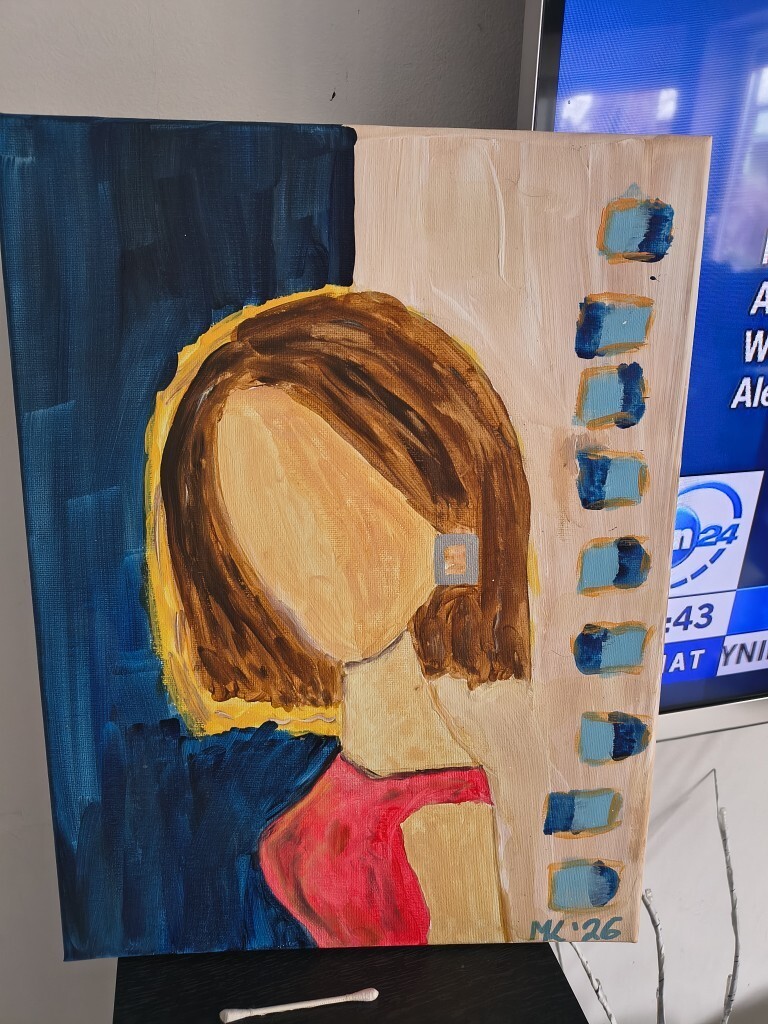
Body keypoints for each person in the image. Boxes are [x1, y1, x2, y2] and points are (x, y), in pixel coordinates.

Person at [146, 287, 531, 946]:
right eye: (268, 528)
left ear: (445, 513)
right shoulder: (338, 776)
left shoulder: (443, 820)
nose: (320, 564)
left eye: (354, 514)